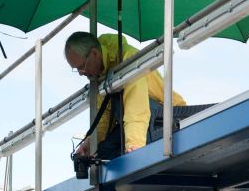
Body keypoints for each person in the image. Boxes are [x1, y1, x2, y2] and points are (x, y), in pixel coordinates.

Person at [63, 31, 186, 161]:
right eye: (76, 69)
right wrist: (89, 144)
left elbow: (136, 107)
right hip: (140, 118)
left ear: (94, 53)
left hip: (167, 116)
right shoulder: (99, 76)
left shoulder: (128, 58)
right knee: (103, 153)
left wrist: (134, 146)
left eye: (82, 67)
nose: (81, 73)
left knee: (120, 104)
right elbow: (103, 118)